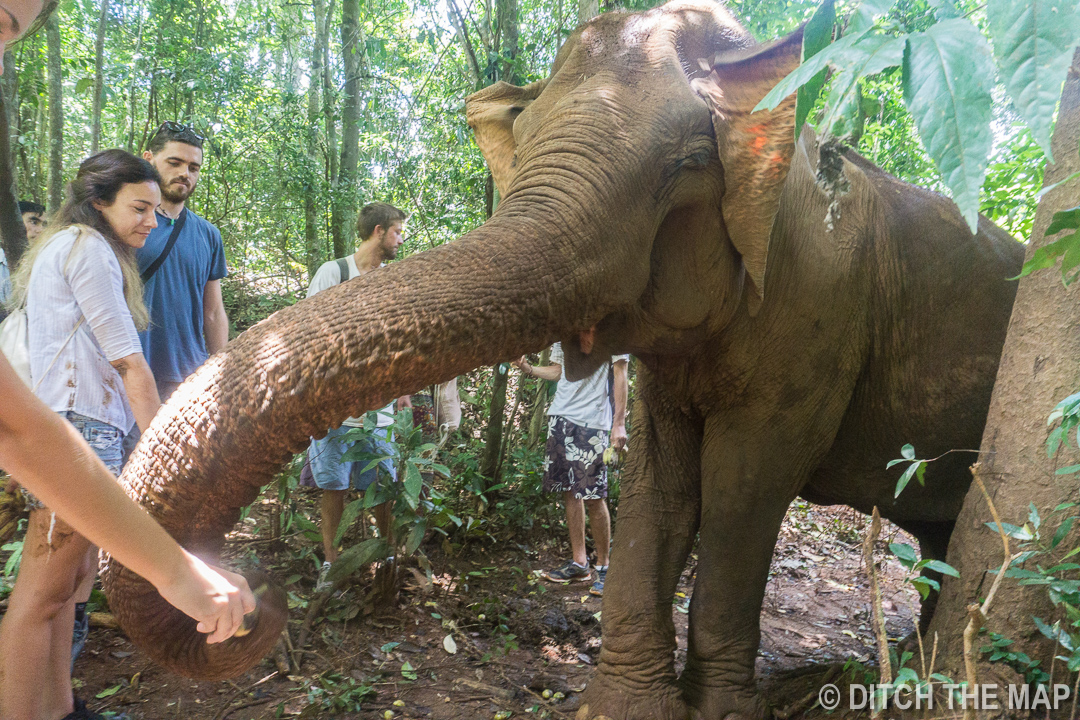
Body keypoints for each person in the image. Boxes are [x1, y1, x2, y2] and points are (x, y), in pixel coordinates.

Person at [0, 149, 240, 720]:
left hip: (91, 428)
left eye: (156, 212)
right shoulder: (86, 249)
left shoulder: (82, 249)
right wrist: (165, 447)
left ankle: (60, 707)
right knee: (41, 597)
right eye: (139, 207)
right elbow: (129, 363)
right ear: (98, 201)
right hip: (76, 429)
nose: (151, 222)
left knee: (69, 591)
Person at [306, 202, 411, 591]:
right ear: (379, 231)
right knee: (332, 486)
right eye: (398, 231)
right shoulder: (334, 272)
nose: (401, 239)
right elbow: (309, 332)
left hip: (377, 407)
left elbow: (399, 341)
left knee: (380, 484)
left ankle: (384, 556)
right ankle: (331, 564)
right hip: (333, 406)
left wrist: (401, 390)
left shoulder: (392, 279)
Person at [514, 343, 628, 596]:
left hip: (592, 422)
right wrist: (527, 367)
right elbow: (559, 371)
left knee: (594, 497)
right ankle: (579, 563)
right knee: (568, 492)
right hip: (560, 416)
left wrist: (618, 423)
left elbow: (620, 373)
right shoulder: (564, 331)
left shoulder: (612, 329)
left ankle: (604, 567)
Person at [138, 122, 228, 401]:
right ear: (149, 160)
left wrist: (219, 370)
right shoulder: (127, 224)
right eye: (174, 162)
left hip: (188, 377)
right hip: (130, 372)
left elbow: (212, 312)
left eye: (193, 167)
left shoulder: (208, 235)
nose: (184, 174)